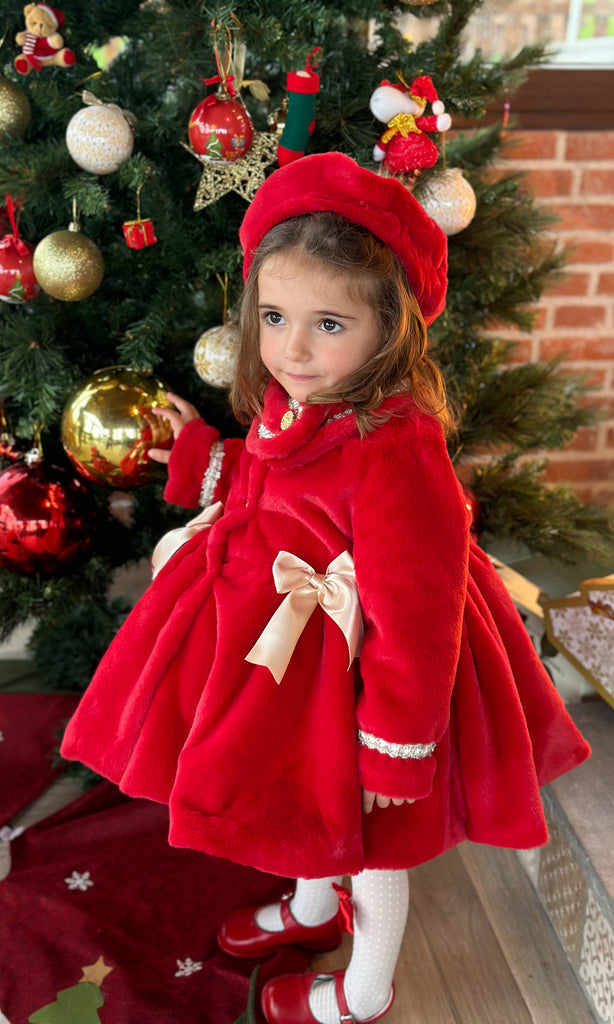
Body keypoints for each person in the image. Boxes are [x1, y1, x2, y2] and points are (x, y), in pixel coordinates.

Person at [61, 153, 590, 1024]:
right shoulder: (301, 396)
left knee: (375, 835)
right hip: (295, 663)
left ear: (391, 330)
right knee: (305, 793)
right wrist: (205, 459)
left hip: (371, 668)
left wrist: (395, 747)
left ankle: (365, 988)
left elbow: (417, 616)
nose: (294, 349)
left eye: (330, 324)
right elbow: (276, 481)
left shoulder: (398, 447)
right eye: (275, 318)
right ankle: (312, 907)